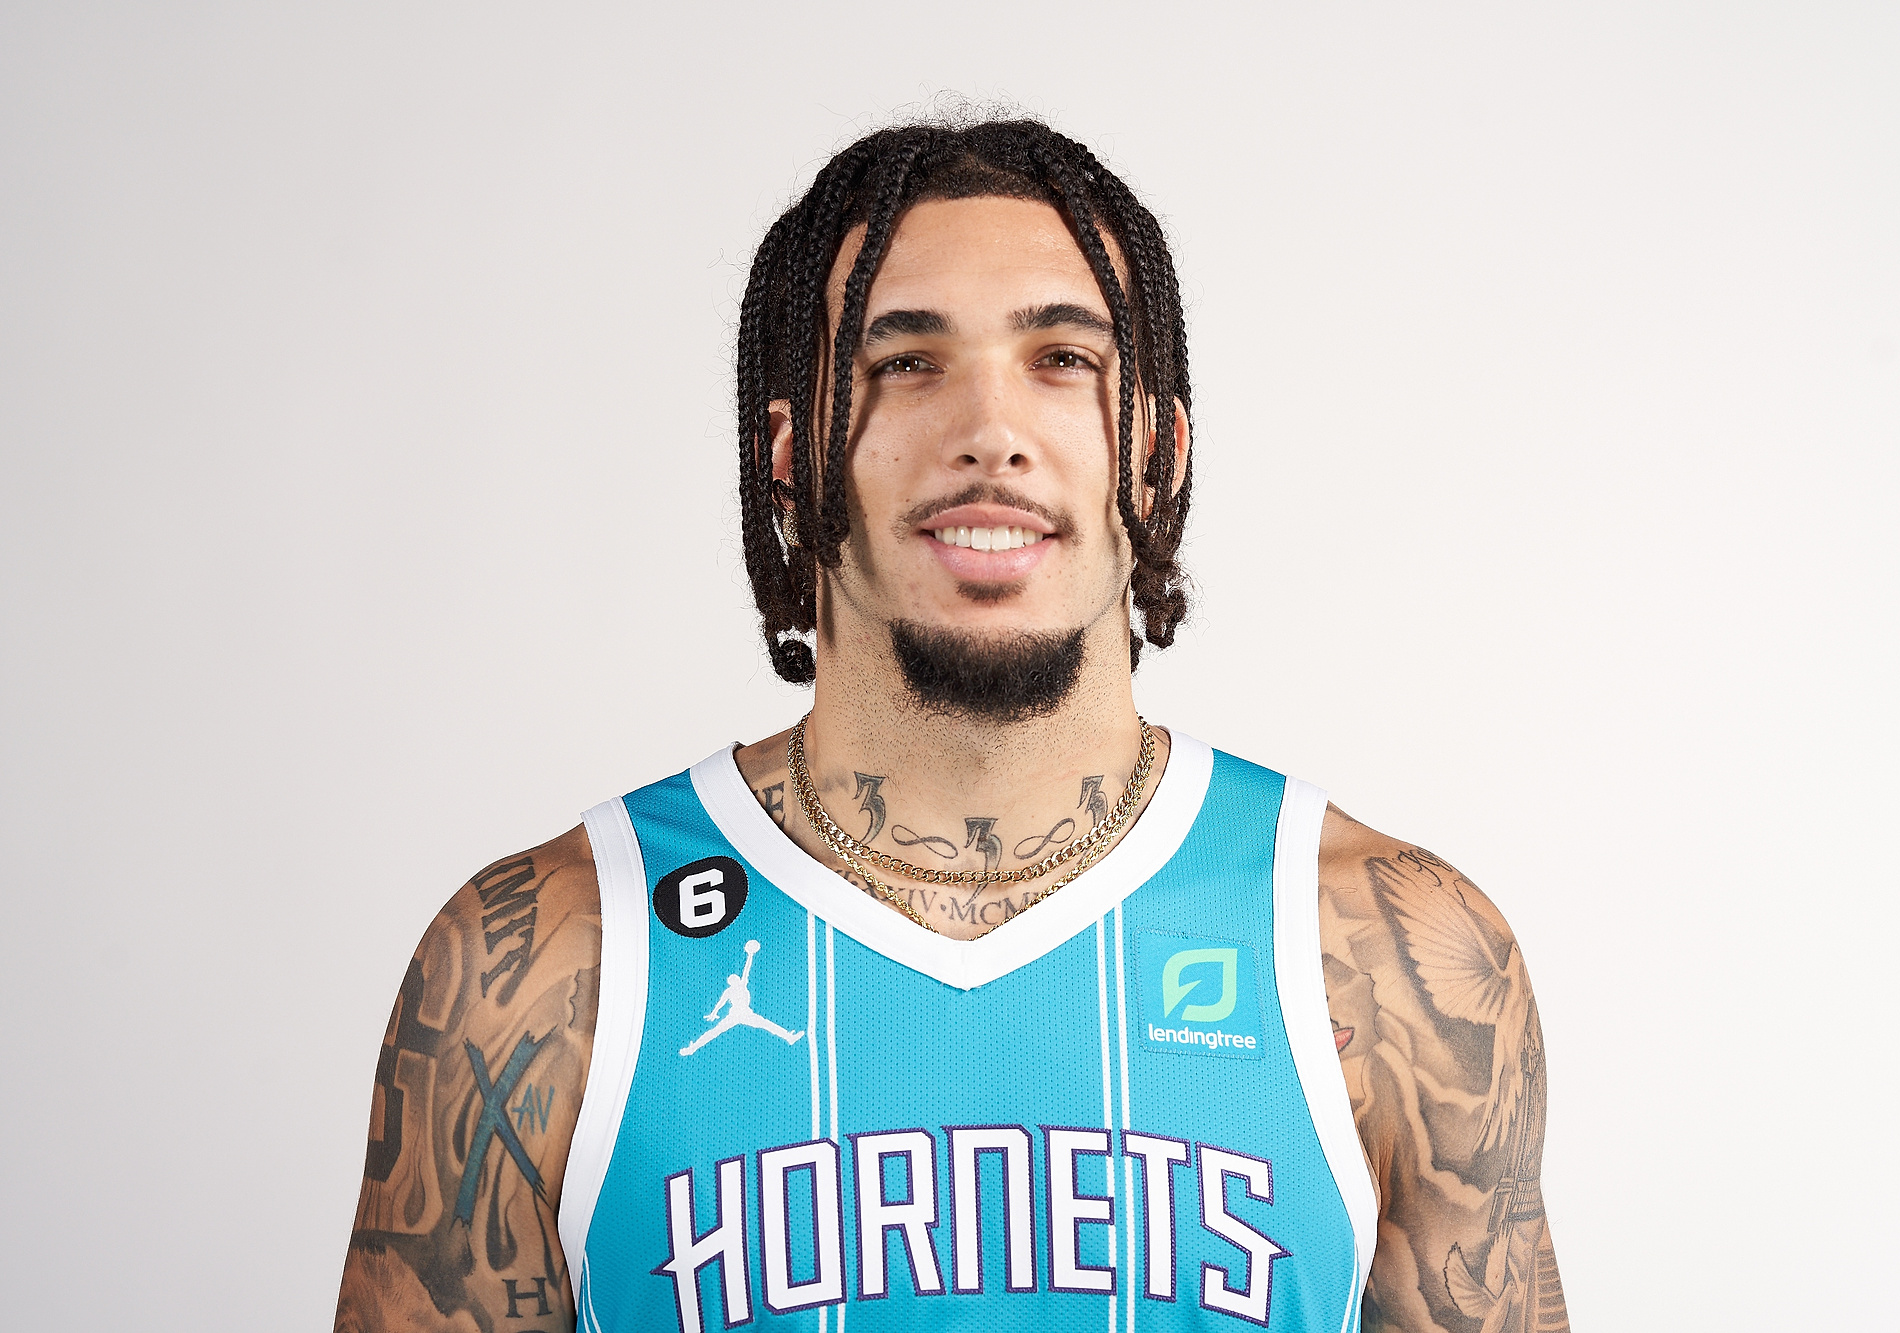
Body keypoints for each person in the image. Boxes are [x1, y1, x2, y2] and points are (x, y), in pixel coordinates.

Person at [334, 117, 1568, 1333]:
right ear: (790, 453)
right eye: (904, 363)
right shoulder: (546, 964)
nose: (988, 430)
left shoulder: (1384, 955)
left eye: (1062, 361)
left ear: (1157, 448)